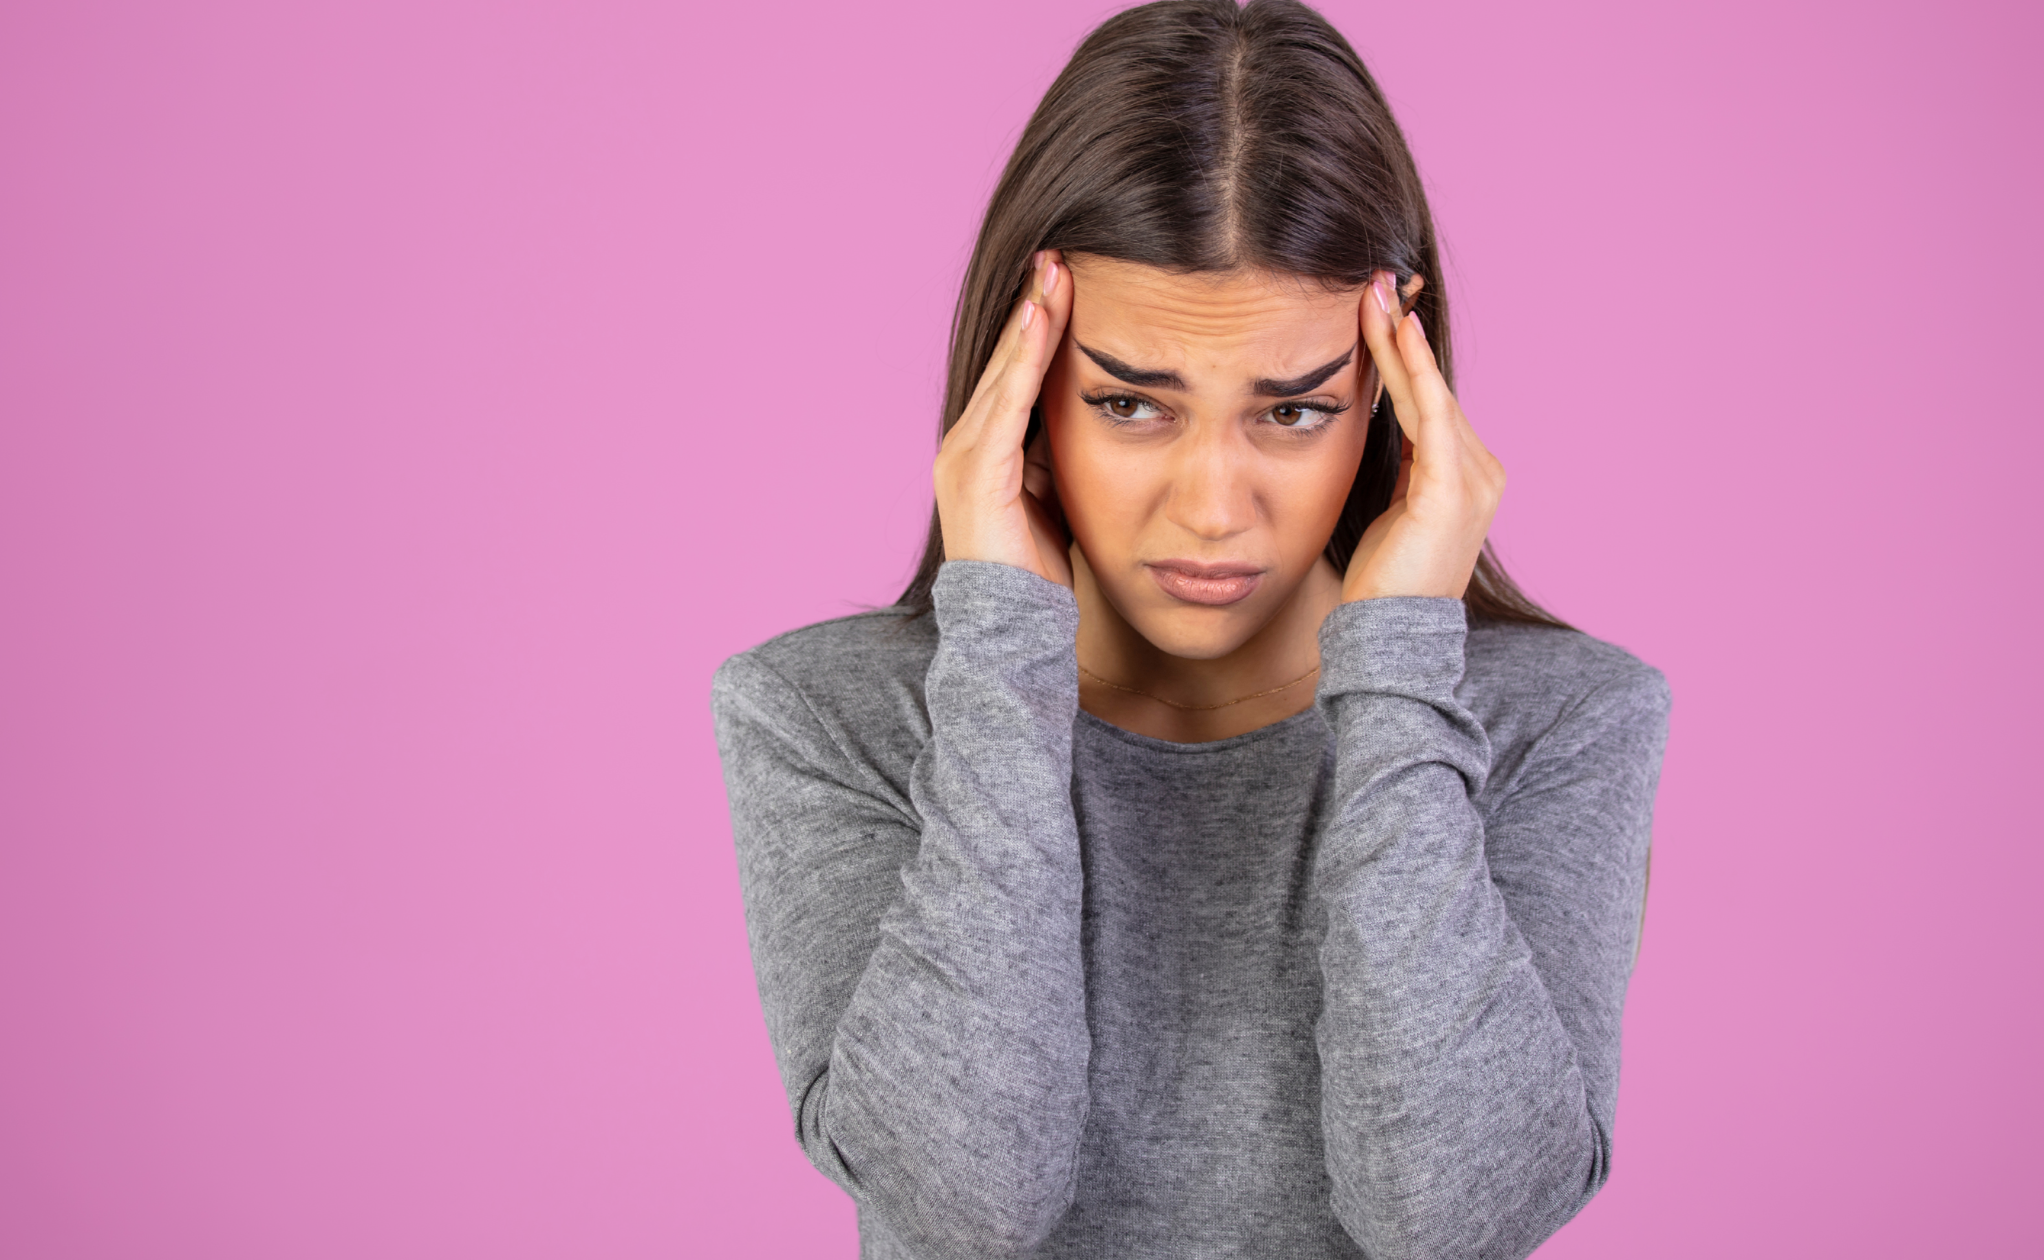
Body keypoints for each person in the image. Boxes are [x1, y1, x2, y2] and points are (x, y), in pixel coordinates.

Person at [711, 1, 1670, 1255]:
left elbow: (1451, 1218)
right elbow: (963, 1202)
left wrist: (1395, 672)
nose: (1213, 511)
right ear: (1020, 388)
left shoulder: (1561, 721)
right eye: (1127, 404)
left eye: (1291, 413)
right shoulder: (830, 717)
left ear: (1386, 399)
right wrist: (999, 644)